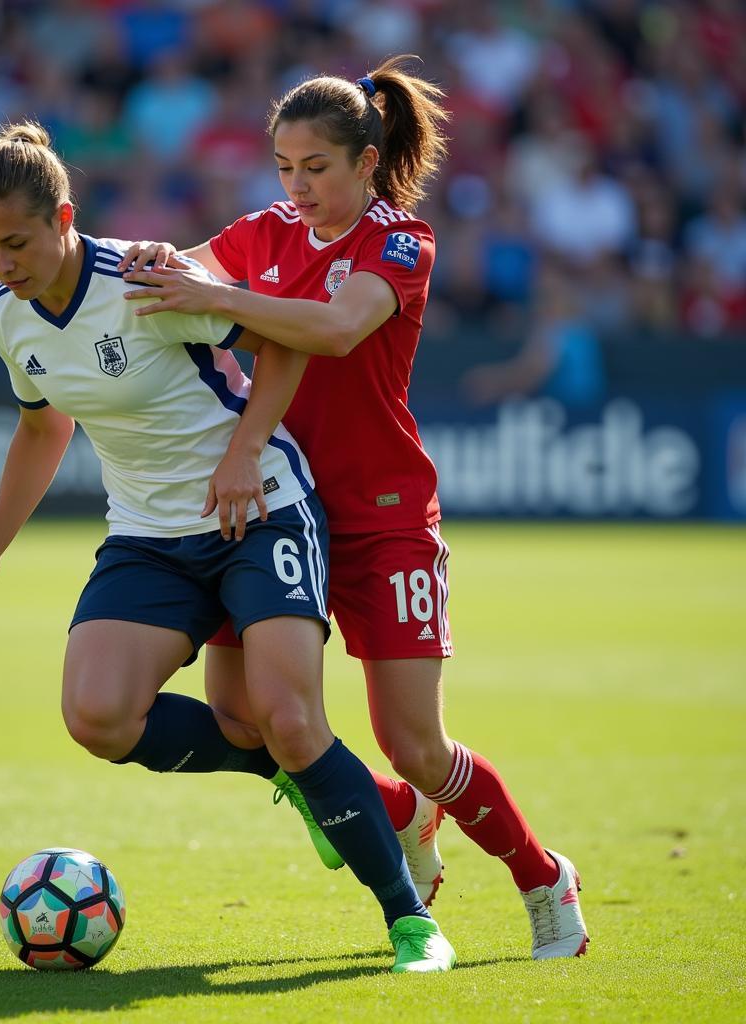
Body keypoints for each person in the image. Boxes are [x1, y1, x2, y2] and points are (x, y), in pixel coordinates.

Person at [0, 120, 456, 973]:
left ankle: (411, 922)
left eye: (16, 243)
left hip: (259, 514)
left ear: (65, 217)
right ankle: (292, 778)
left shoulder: (144, 281)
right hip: (148, 536)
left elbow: (283, 347)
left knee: (290, 721)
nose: (0, 266)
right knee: (97, 718)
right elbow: (42, 432)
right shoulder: (7, 317)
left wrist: (244, 455)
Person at [117, 56, 590, 960]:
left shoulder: (401, 243)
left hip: (380, 516)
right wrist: (152, 258)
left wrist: (212, 293)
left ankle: (541, 877)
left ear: (367, 163)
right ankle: (399, 817)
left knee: (413, 741)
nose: (297, 187)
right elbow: (188, 265)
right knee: (249, 720)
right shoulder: (264, 232)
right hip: (275, 509)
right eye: (285, 167)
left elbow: (334, 332)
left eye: (317, 168)